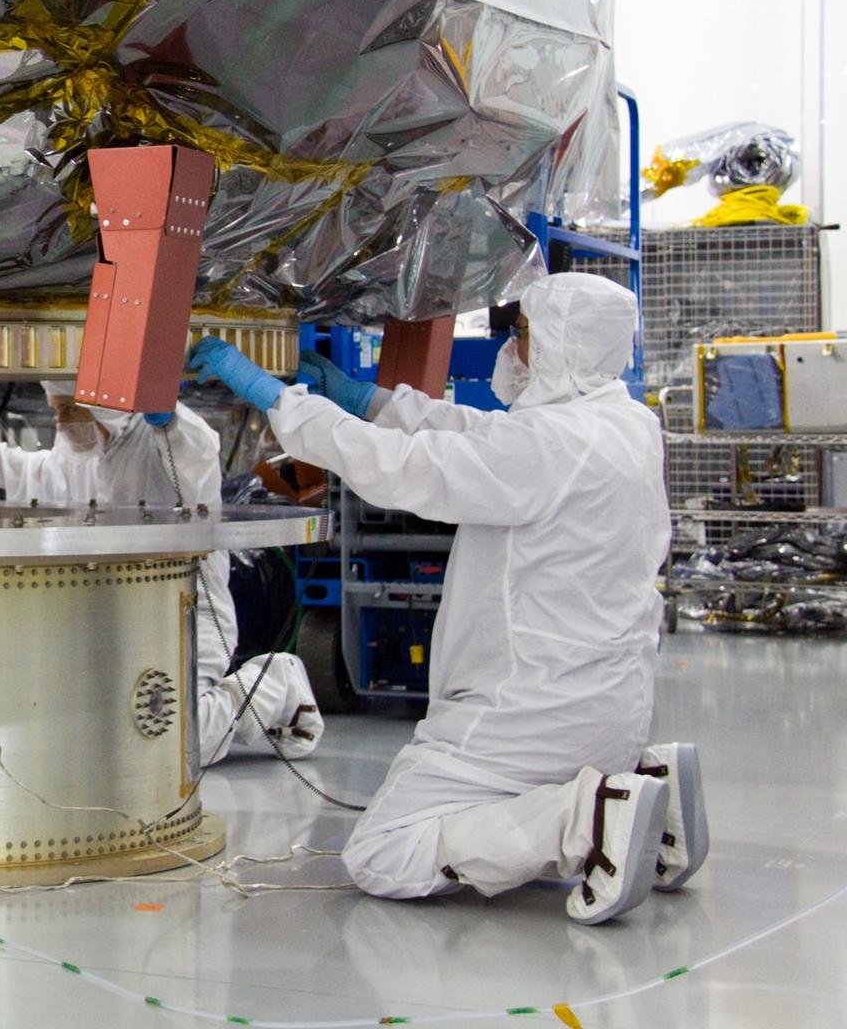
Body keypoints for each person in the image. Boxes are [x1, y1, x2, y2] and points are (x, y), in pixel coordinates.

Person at [189, 272, 705, 924]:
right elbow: (474, 434)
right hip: (612, 707)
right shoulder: (624, 423)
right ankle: (648, 794)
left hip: (527, 709)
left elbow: (404, 468)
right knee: (472, 820)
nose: (511, 349)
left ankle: (589, 818)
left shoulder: (550, 444)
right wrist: (368, 400)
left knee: (386, 853)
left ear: (563, 344)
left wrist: (281, 402)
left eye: (523, 333)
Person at [0, 382, 323, 766]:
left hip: (186, 612)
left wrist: (165, 414)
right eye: (55, 410)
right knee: (97, 736)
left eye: (70, 409)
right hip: (112, 622)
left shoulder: (161, 438)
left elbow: (197, 445)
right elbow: (18, 469)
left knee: (177, 744)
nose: (61, 422)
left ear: (102, 405)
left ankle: (276, 683)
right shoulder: (74, 459)